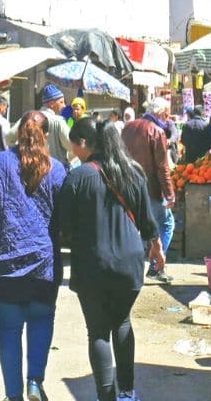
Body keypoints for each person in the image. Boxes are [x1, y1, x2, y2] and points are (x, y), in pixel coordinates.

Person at [0, 110, 67, 401]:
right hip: (43, 266)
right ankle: (35, 382)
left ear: (18, 132)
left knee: (8, 331)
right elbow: (65, 222)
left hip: (3, 265)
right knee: (41, 321)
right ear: (45, 135)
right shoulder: (57, 170)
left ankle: (13, 395)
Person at [59, 119, 163, 401]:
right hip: (129, 264)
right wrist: (156, 248)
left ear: (87, 143)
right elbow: (148, 222)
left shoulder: (78, 177)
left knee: (98, 332)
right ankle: (128, 393)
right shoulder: (134, 173)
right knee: (122, 323)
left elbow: (60, 227)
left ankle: (106, 396)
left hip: (92, 264)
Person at [121, 97, 175, 284]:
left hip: (127, 186)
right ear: (159, 113)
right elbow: (162, 167)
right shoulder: (157, 131)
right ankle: (156, 266)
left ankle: (129, 269)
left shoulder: (128, 127)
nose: (168, 117)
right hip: (150, 189)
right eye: (167, 113)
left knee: (133, 228)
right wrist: (169, 193)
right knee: (165, 225)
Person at [11, 84, 73, 167]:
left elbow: (9, 137)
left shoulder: (28, 117)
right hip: (55, 169)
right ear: (51, 104)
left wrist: (22, 153)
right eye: (61, 102)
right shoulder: (59, 121)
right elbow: (72, 146)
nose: (64, 106)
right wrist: (67, 159)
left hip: (31, 168)